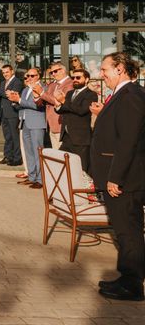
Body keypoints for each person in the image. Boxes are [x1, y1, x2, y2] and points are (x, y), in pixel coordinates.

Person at [89, 52, 145, 301]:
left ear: (121, 69)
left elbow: (128, 141)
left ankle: (133, 285)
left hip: (127, 179)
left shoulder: (131, 96)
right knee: (123, 229)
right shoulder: (123, 95)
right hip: (121, 175)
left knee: (128, 230)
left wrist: (115, 178)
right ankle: (127, 277)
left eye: (105, 70)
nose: (101, 74)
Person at [7, 68, 46, 189]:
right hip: (24, 122)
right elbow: (22, 106)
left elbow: (37, 105)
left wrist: (19, 100)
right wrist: (14, 101)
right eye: (27, 76)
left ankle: (40, 180)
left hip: (37, 124)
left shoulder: (42, 88)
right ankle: (32, 176)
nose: (29, 78)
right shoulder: (25, 90)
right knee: (29, 152)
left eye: (32, 76)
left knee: (37, 151)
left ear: (39, 76)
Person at [53, 68, 97, 173]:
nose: (75, 80)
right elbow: (65, 110)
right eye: (73, 77)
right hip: (66, 136)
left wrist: (63, 101)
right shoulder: (69, 93)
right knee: (60, 165)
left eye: (78, 77)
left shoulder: (91, 94)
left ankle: (82, 189)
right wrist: (58, 106)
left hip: (80, 138)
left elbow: (81, 110)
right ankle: (67, 188)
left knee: (81, 169)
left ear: (86, 80)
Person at [0, 64, 23, 166]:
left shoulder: (17, 82)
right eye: (3, 72)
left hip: (13, 113)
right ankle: (8, 156)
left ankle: (17, 158)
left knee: (15, 136)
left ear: (12, 71)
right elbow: (2, 96)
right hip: (4, 113)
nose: (5, 74)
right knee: (7, 136)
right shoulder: (3, 82)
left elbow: (11, 96)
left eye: (7, 72)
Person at [37, 62, 73, 149]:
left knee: (62, 154)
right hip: (51, 123)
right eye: (51, 72)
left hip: (61, 123)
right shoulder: (52, 85)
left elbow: (58, 101)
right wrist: (36, 96)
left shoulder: (70, 84)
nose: (53, 74)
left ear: (63, 70)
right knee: (55, 155)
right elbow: (45, 100)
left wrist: (41, 93)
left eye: (55, 71)